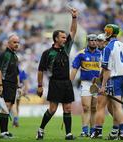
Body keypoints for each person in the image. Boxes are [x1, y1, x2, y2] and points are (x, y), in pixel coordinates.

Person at [36, 7, 78, 140]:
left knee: (68, 109)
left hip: (67, 83)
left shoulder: (66, 49)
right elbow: (40, 70)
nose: (65, 39)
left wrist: (74, 17)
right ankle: (41, 129)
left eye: (66, 37)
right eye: (63, 37)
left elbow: (73, 31)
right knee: (52, 110)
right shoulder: (47, 53)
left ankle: (68, 134)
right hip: (55, 83)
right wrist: (40, 86)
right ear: (56, 38)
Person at [93, 24, 123, 140]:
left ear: (109, 33)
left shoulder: (108, 48)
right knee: (116, 107)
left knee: (117, 107)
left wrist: (103, 85)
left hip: (115, 79)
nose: (105, 34)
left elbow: (107, 70)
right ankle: (115, 132)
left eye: (106, 32)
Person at [70, 34, 104, 137]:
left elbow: (105, 69)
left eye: (95, 40)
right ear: (87, 41)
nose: (93, 42)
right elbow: (74, 69)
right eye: (91, 40)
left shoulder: (101, 54)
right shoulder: (81, 54)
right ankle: (84, 131)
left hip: (97, 84)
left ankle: (93, 130)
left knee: (94, 108)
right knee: (86, 107)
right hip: (85, 83)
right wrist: (68, 83)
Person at [0, 34, 20, 138]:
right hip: (6, 83)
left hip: (13, 85)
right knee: (5, 107)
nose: (17, 44)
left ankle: (5, 131)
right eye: (14, 42)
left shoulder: (14, 56)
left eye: (18, 42)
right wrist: (0, 85)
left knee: (8, 107)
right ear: (8, 43)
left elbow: (16, 72)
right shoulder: (3, 55)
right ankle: (3, 132)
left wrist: (18, 86)